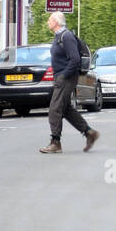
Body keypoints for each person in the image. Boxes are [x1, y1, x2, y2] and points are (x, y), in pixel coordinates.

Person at [39, 11, 99, 155]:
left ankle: (55, 142)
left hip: (66, 78)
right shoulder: (59, 36)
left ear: (56, 22)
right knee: (65, 109)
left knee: (54, 109)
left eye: (50, 19)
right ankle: (89, 133)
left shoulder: (67, 37)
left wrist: (64, 75)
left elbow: (75, 59)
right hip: (62, 77)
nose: (48, 21)